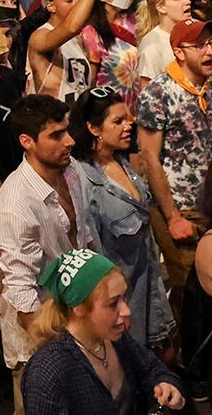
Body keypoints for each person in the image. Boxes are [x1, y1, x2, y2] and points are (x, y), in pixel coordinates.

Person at [0, 95, 94, 371]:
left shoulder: (71, 171)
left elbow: (84, 239)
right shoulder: (15, 205)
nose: (69, 141)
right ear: (26, 142)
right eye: (56, 135)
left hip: (79, 327)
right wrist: (62, 352)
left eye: (67, 130)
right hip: (39, 352)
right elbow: (24, 302)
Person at [69, 87, 174, 350]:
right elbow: (95, 255)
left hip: (148, 298)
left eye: (127, 119)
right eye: (117, 122)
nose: (129, 126)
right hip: (122, 313)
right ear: (94, 129)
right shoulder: (84, 183)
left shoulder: (123, 162)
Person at [18, 250, 186, 414]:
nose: (126, 310)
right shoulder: (48, 372)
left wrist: (167, 385)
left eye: (124, 297)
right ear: (79, 308)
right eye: (113, 303)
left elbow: (152, 369)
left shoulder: (114, 338)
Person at [138, 18, 212, 286]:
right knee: (190, 284)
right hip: (177, 204)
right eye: (200, 45)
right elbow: (150, 159)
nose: (210, 51)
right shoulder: (157, 93)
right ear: (179, 52)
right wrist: (173, 217)